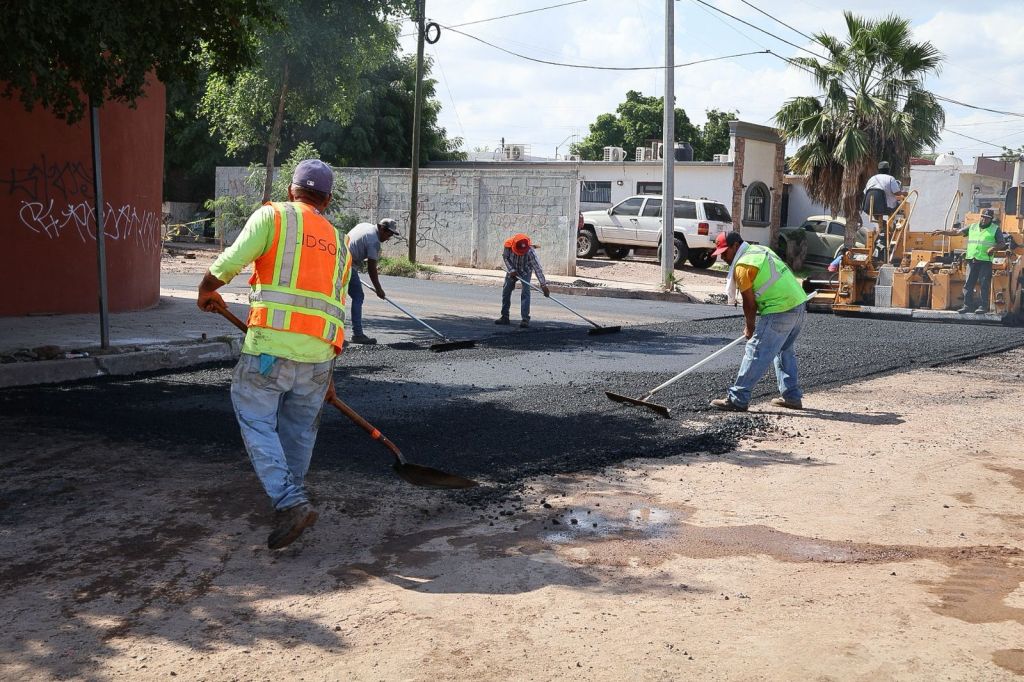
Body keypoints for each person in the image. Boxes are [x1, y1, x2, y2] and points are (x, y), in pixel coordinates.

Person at [197, 159, 352, 550]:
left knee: (255, 415)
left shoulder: (274, 217)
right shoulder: (340, 242)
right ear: (328, 199)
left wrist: (206, 288)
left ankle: (290, 501)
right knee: (299, 431)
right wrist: (328, 372)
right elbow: (335, 308)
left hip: (270, 349)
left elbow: (231, 260)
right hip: (319, 355)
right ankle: (292, 500)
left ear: (291, 190)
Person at [709, 231, 807, 412]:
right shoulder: (760, 250)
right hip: (799, 306)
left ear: (736, 246)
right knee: (784, 351)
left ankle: (738, 398)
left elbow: (749, 303)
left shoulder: (743, 266)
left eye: (725, 252)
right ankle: (792, 397)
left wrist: (750, 327)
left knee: (756, 352)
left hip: (780, 310)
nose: (723, 257)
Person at [932, 208, 1017, 313]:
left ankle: (983, 307)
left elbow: (1002, 243)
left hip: (985, 261)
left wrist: (994, 248)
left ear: (991, 219)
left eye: (987, 218)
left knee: (984, 284)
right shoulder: (972, 227)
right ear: (980, 217)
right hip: (972, 260)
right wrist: (943, 232)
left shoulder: (995, 229)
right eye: (983, 217)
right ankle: (967, 306)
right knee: (968, 284)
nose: (984, 220)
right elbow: (957, 232)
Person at [345, 218, 401, 344]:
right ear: (381, 228)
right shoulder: (374, 241)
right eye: (388, 234)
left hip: (339, 259)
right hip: (347, 265)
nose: (388, 238)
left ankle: (333, 335)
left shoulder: (365, 225)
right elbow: (371, 268)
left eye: (391, 235)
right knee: (358, 296)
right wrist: (379, 289)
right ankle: (357, 334)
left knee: (338, 297)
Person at [495, 233, 550, 328]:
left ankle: (525, 319)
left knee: (525, 292)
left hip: (525, 271)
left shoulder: (530, 252)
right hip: (512, 270)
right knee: (506, 291)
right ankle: (505, 316)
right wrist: (511, 270)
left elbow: (537, 268)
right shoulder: (508, 245)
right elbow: (506, 257)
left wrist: (543, 285)